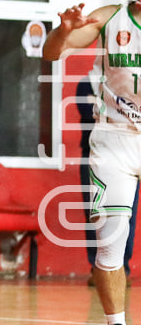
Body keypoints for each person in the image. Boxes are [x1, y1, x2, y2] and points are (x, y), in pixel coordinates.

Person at [42, 0, 141, 325]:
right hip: (114, 139)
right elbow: (53, 53)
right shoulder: (109, 17)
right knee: (111, 242)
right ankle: (115, 322)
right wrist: (63, 30)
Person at [77, 76, 138, 285]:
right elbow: (87, 113)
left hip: (125, 153)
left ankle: (122, 268)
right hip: (93, 155)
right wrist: (115, 110)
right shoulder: (86, 83)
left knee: (126, 215)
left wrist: (104, 106)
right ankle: (97, 268)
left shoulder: (126, 82)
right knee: (95, 214)